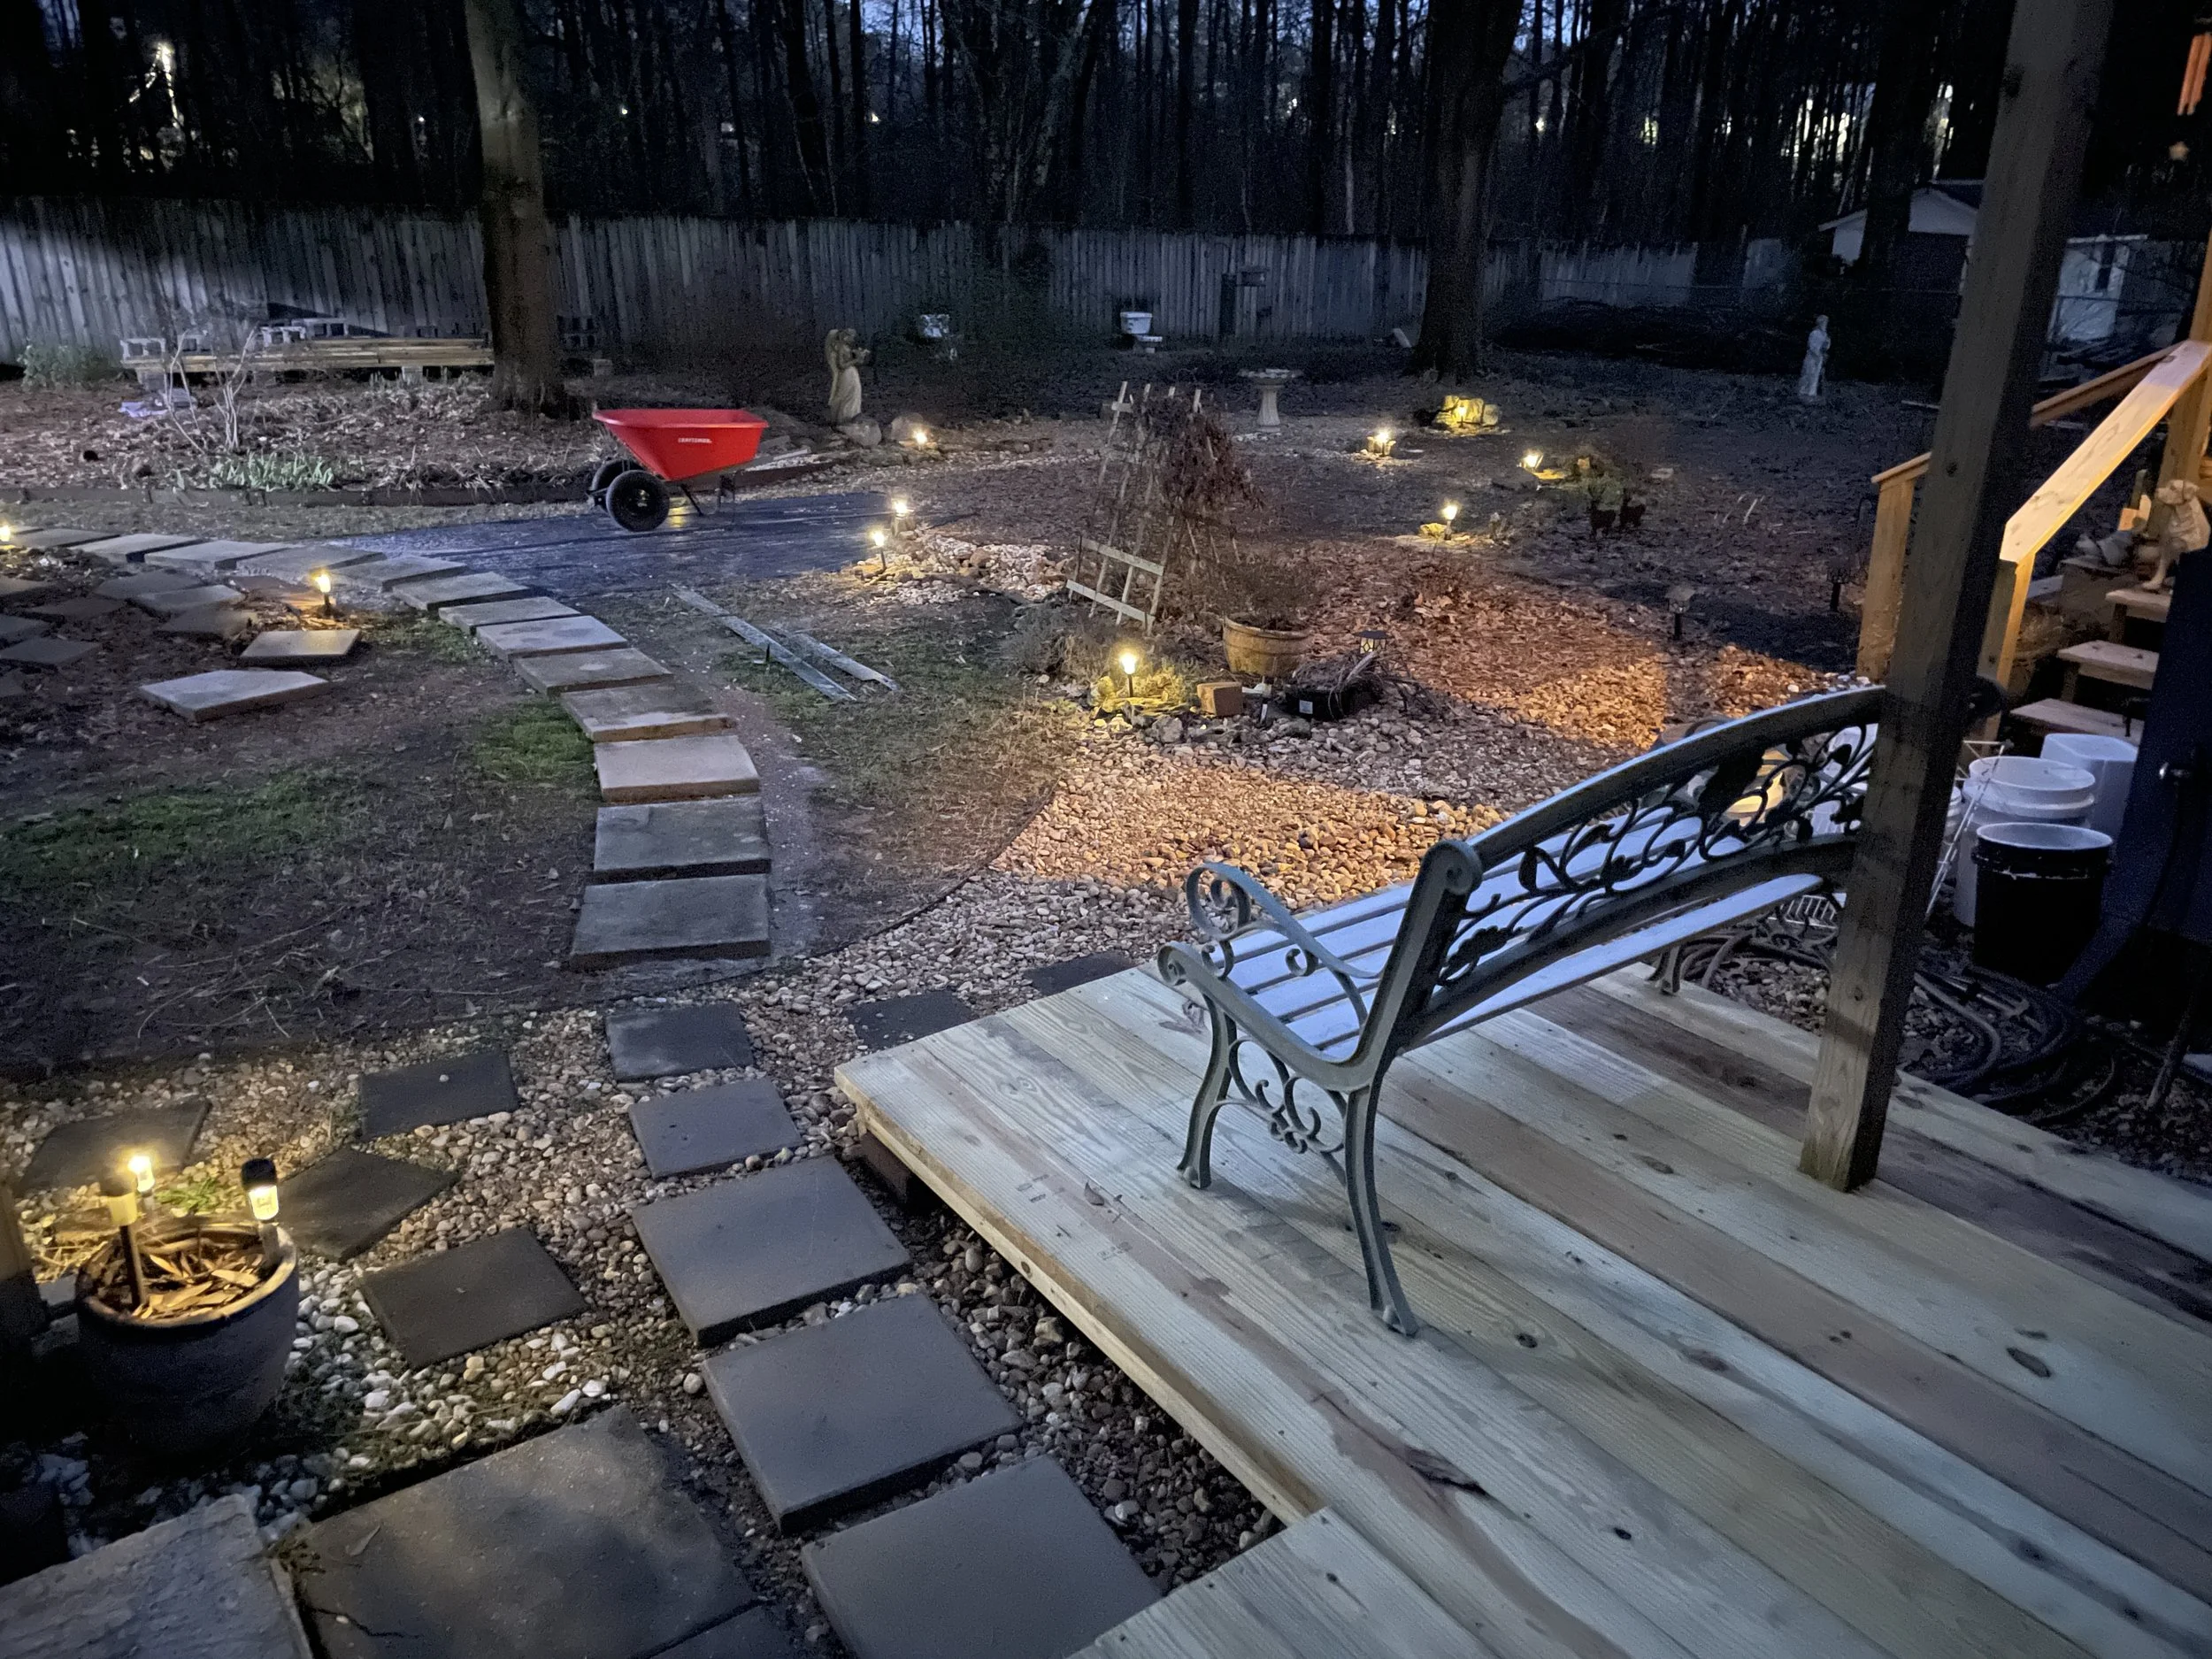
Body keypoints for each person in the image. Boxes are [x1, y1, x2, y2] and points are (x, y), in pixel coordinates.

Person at [1797, 315, 1831, 403]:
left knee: (1815, 375)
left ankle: (1812, 393)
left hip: (1819, 357)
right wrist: (1817, 353)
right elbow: (1812, 346)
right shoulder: (1814, 333)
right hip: (1812, 357)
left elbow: (1825, 346)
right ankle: (1803, 392)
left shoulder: (1825, 334)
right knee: (1808, 373)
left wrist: (1826, 345)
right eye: (1824, 322)